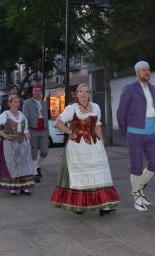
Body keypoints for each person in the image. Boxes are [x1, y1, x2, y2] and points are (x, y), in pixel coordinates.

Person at [51, 84, 119, 215]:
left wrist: (102, 142)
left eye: (86, 92)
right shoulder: (72, 108)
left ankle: (104, 205)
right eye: (80, 92)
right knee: (81, 175)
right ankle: (79, 204)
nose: (83, 94)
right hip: (77, 147)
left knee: (99, 174)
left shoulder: (96, 107)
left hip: (94, 145)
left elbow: (97, 126)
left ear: (89, 94)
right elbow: (58, 122)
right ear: (76, 94)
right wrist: (70, 132)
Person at [116, 61, 155, 211]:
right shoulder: (129, 89)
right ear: (137, 72)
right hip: (135, 132)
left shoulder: (153, 88)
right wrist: (125, 131)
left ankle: (138, 188)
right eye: (143, 70)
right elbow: (121, 112)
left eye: (148, 69)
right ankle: (137, 198)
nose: (147, 72)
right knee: (136, 166)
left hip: (150, 132)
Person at [0, 95, 35, 195]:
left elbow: (25, 130)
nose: (17, 104)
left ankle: (24, 187)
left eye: (18, 102)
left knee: (23, 164)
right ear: (9, 103)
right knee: (11, 165)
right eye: (15, 102)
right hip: (9, 144)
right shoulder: (5, 114)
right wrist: (3, 134)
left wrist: (28, 138)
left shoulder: (22, 115)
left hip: (22, 144)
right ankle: (12, 187)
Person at [22, 83, 48, 182]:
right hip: (33, 130)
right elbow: (25, 117)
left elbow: (46, 117)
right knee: (33, 152)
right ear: (32, 92)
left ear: (41, 92)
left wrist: (47, 131)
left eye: (39, 91)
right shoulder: (27, 103)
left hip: (43, 130)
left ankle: (37, 166)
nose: (37, 92)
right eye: (35, 91)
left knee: (45, 152)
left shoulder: (44, 102)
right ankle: (35, 173)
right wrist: (26, 131)